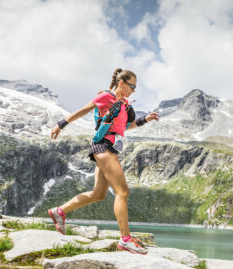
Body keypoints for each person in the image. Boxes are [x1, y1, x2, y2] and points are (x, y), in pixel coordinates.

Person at [49, 68, 159, 254]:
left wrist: (144, 120)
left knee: (98, 194)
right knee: (122, 192)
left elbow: (124, 127)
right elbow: (83, 110)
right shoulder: (105, 97)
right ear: (121, 83)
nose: (134, 90)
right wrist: (61, 125)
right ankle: (125, 240)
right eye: (132, 86)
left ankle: (59, 211)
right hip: (103, 147)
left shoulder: (123, 104)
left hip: (111, 148)